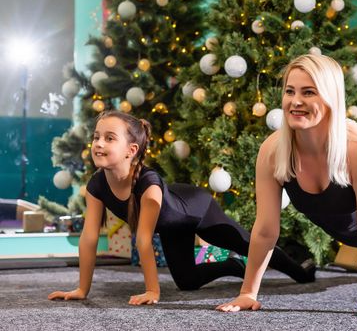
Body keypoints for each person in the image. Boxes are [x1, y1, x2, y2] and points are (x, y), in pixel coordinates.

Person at [216, 54, 357, 321]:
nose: (296, 101)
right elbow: (266, 230)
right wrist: (248, 293)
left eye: (309, 92)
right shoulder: (273, 151)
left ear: (330, 98)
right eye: (290, 91)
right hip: (348, 231)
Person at [48, 111, 315, 305]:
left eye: (108, 138)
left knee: (251, 245)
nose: (98, 144)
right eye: (96, 137)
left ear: (131, 150)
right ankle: (232, 266)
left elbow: (143, 240)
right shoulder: (96, 184)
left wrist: (152, 291)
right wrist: (82, 289)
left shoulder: (148, 185)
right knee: (187, 281)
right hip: (172, 226)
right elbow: (89, 237)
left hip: (196, 209)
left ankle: (300, 270)